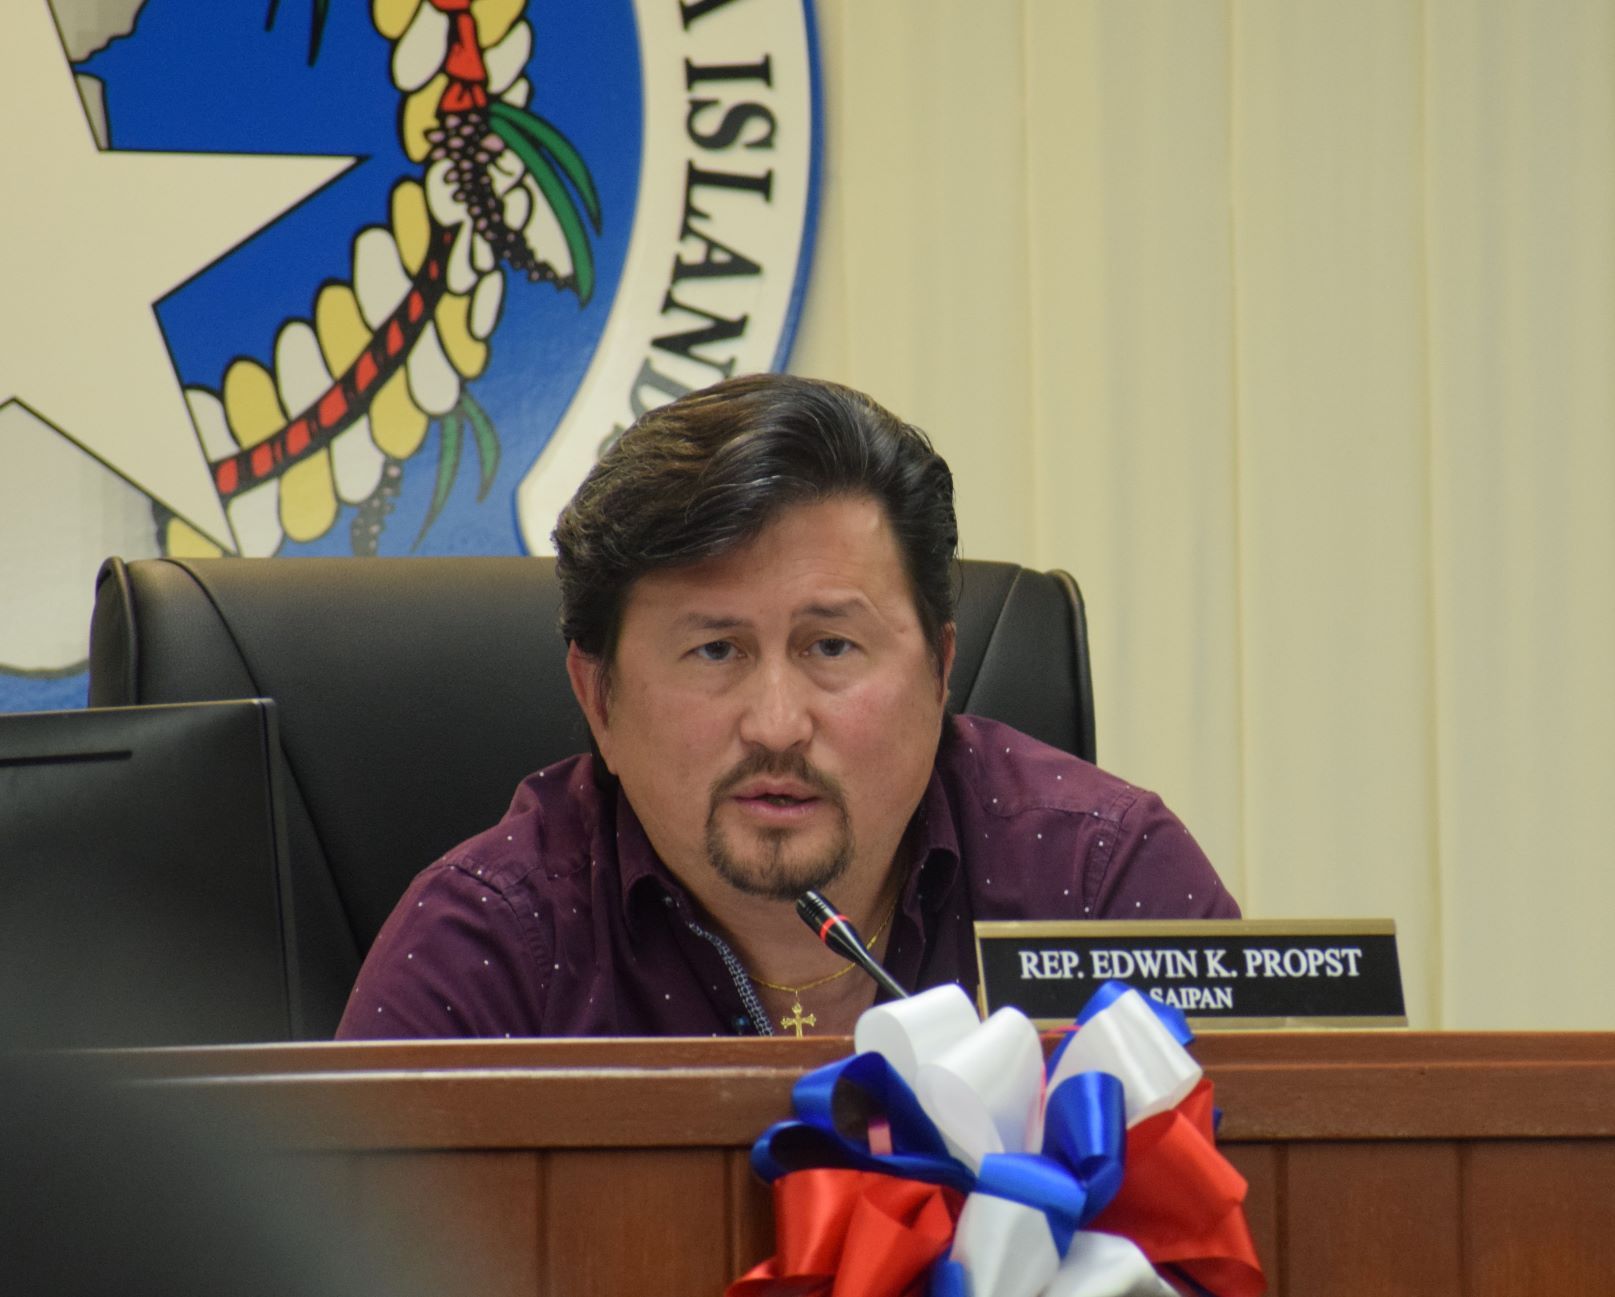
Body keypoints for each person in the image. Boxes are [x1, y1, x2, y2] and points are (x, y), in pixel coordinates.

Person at [337, 374, 1237, 1040]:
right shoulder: (484, 954)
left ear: (939, 673)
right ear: (597, 697)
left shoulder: (1099, 884)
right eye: (715, 650)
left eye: (830, 646)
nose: (776, 725)